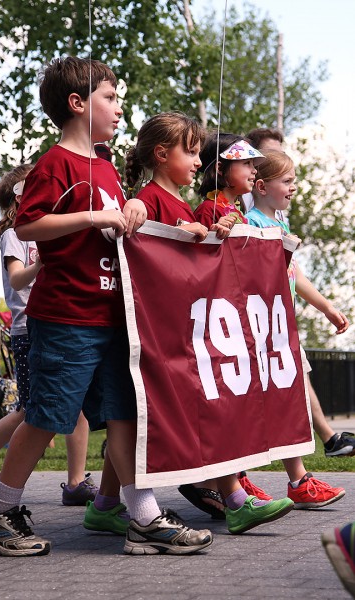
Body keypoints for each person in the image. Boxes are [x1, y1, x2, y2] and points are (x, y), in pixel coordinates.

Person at [0, 57, 212, 557]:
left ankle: (144, 517)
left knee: (126, 413)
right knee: (47, 417)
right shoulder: (54, 163)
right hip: (67, 315)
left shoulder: (107, 166)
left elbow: (120, 220)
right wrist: (92, 216)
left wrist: (131, 208)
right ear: (78, 103)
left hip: (112, 315)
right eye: (110, 97)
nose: (118, 107)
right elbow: (27, 226)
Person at [125, 112, 294, 534]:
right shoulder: (151, 196)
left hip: (182, 326)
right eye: (191, 151)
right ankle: (235, 500)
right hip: (166, 330)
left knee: (132, 422)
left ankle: (108, 504)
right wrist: (134, 206)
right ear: (162, 155)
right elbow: (143, 219)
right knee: (192, 412)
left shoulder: (185, 204)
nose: (198, 161)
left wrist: (208, 229)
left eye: (201, 152)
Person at [179, 134, 346, 520]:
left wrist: (323, 306)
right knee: (244, 404)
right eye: (247, 164)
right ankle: (233, 482)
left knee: (280, 399)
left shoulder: (242, 212)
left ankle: (273, 480)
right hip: (242, 328)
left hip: (268, 324)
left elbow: (286, 273)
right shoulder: (218, 211)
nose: (253, 170)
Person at [0, 164, 98, 508]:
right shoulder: (14, 235)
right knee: (28, 412)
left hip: (55, 324)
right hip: (28, 330)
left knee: (74, 407)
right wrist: (42, 264)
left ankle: (76, 482)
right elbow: (18, 280)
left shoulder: (50, 231)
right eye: (29, 189)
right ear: (16, 200)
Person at [246, 127, 355, 459]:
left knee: (290, 390)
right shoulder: (249, 224)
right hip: (260, 327)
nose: (294, 187)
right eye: (287, 181)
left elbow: (293, 275)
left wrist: (325, 306)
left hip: (282, 323)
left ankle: (301, 461)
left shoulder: (280, 224)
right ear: (262, 187)